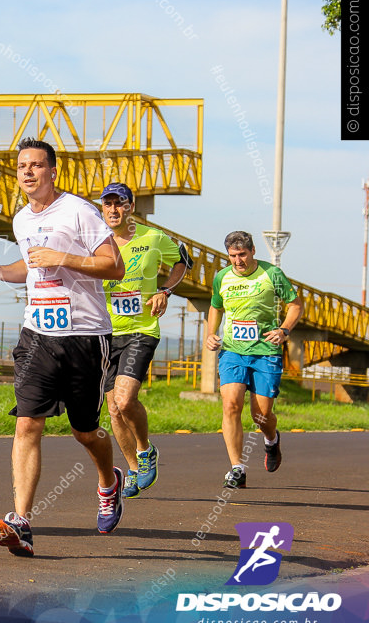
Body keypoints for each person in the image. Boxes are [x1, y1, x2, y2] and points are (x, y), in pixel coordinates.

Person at [0, 138, 126, 557]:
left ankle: (108, 482)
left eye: (36, 166)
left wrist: (63, 256)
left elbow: (113, 265)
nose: (27, 172)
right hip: (38, 335)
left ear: (52, 171)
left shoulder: (79, 210)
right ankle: (21, 521)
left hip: (84, 336)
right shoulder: (21, 218)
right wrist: (1, 271)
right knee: (28, 424)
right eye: (22, 165)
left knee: (84, 431)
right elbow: (30, 264)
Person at [100, 182, 193, 498]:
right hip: (106, 333)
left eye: (119, 203)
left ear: (130, 206)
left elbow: (183, 262)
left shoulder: (152, 237)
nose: (113, 209)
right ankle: (134, 469)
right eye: (108, 204)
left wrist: (165, 290)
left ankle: (145, 449)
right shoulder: (96, 242)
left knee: (126, 401)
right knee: (113, 411)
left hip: (141, 330)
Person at [204, 231, 303, 489]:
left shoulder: (271, 274)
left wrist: (284, 330)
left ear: (253, 251)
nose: (238, 260)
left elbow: (295, 305)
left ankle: (271, 440)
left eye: (242, 255)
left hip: (265, 351)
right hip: (233, 351)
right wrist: (211, 334)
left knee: (261, 415)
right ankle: (237, 469)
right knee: (231, 405)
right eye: (233, 256)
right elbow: (216, 305)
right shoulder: (222, 278)